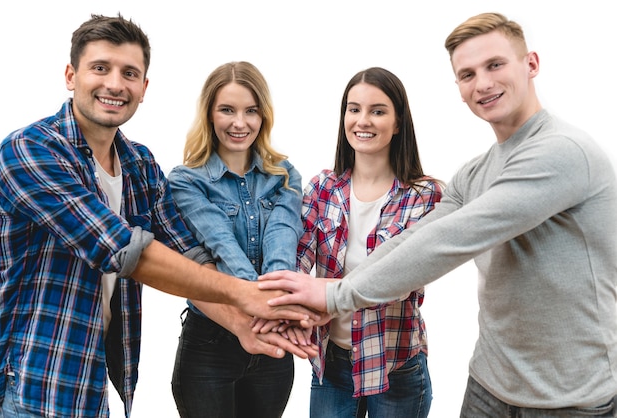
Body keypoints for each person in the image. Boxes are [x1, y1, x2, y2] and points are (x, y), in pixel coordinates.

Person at [259, 12, 617, 417]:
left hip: (568, 398)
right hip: (489, 383)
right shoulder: (475, 172)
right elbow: (416, 238)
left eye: (495, 65)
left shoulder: (562, 151)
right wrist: (315, 300)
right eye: (467, 74)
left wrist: (336, 294)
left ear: (531, 64)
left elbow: (453, 240)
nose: (482, 83)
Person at [0, 15, 315, 418]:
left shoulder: (139, 164)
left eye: (129, 73)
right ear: (71, 75)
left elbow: (189, 256)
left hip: (92, 381)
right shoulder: (30, 150)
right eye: (100, 68)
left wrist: (243, 325)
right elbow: (125, 250)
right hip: (30, 381)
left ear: (143, 88)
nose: (114, 84)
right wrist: (247, 295)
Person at [293, 67, 441, 418]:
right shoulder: (323, 188)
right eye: (354, 108)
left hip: (395, 367)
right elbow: (297, 259)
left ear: (398, 122)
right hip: (332, 365)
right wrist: (290, 306)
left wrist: (328, 294)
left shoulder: (424, 196)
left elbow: (404, 281)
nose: (363, 120)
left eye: (378, 111)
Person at [167, 61, 312, 418]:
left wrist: (273, 302)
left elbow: (283, 239)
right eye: (227, 110)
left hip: (273, 341)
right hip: (210, 345)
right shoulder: (186, 181)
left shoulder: (284, 175)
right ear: (209, 114)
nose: (239, 123)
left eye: (251, 111)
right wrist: (262, 303)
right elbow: (221, 247)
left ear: (263, 116)